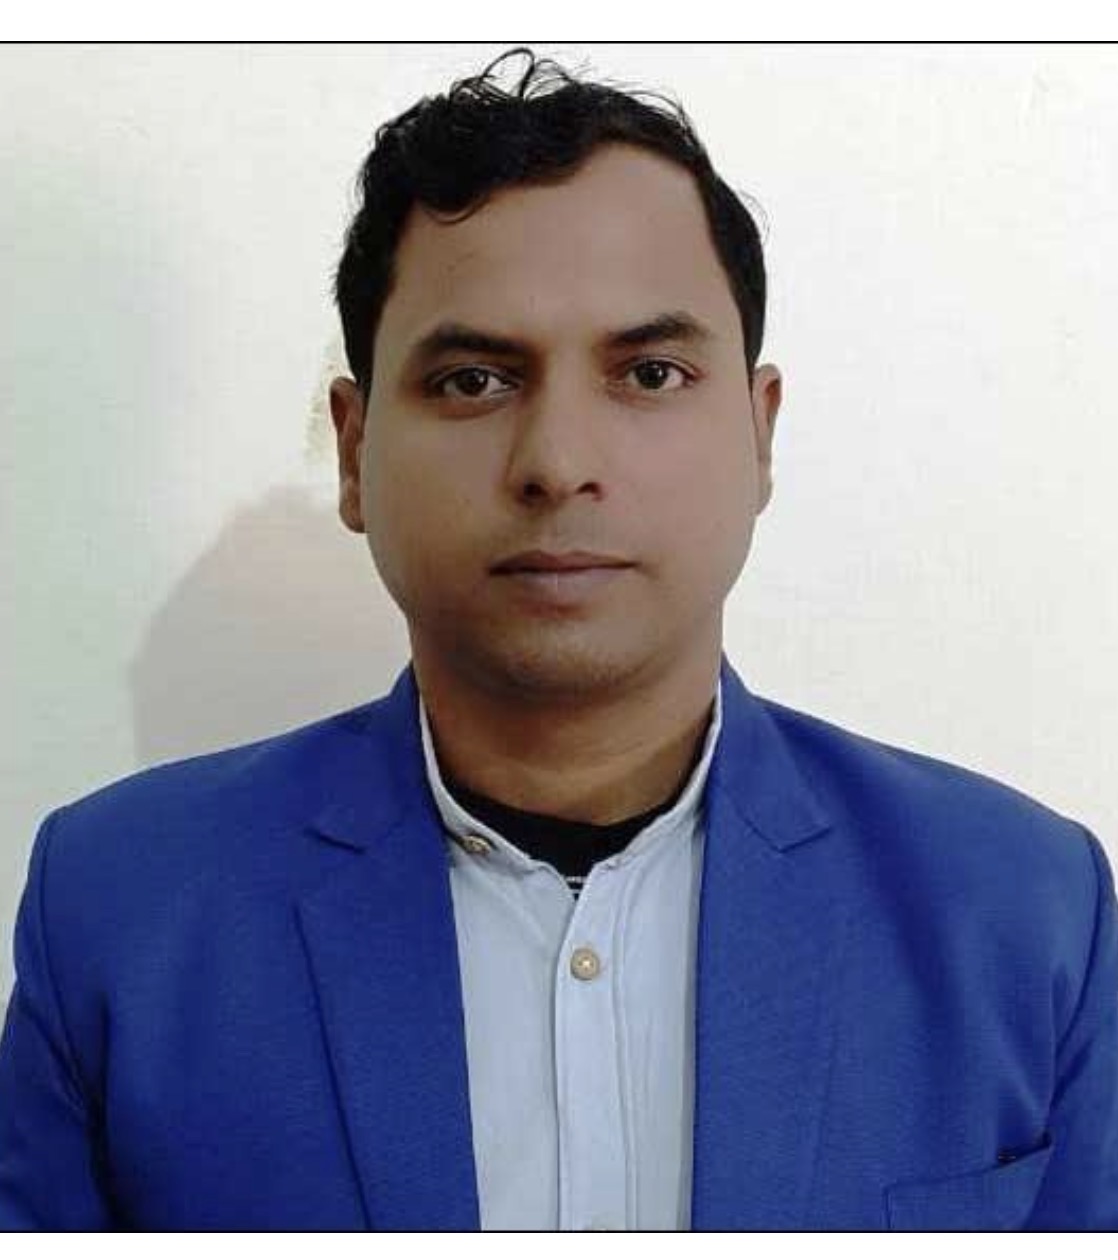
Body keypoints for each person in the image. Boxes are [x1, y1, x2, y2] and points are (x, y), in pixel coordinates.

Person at [1, 47, 1115, 1232]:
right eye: (473, 380)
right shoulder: (122, 912)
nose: (557, 462)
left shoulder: (1021, 913)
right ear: (354, 449)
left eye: (649, 372)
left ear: (758, 433)